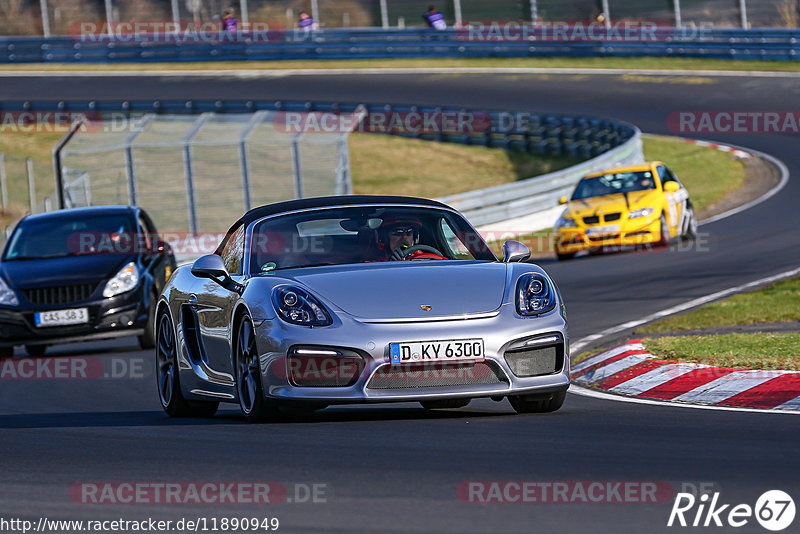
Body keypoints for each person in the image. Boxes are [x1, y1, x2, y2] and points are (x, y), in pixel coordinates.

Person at [372, 216, 447, 261]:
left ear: (415, 237)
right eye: (398, 232)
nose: (404, 237)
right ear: (385, 238)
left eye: (409, 232)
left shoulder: (428, 258)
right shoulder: (374, 264)